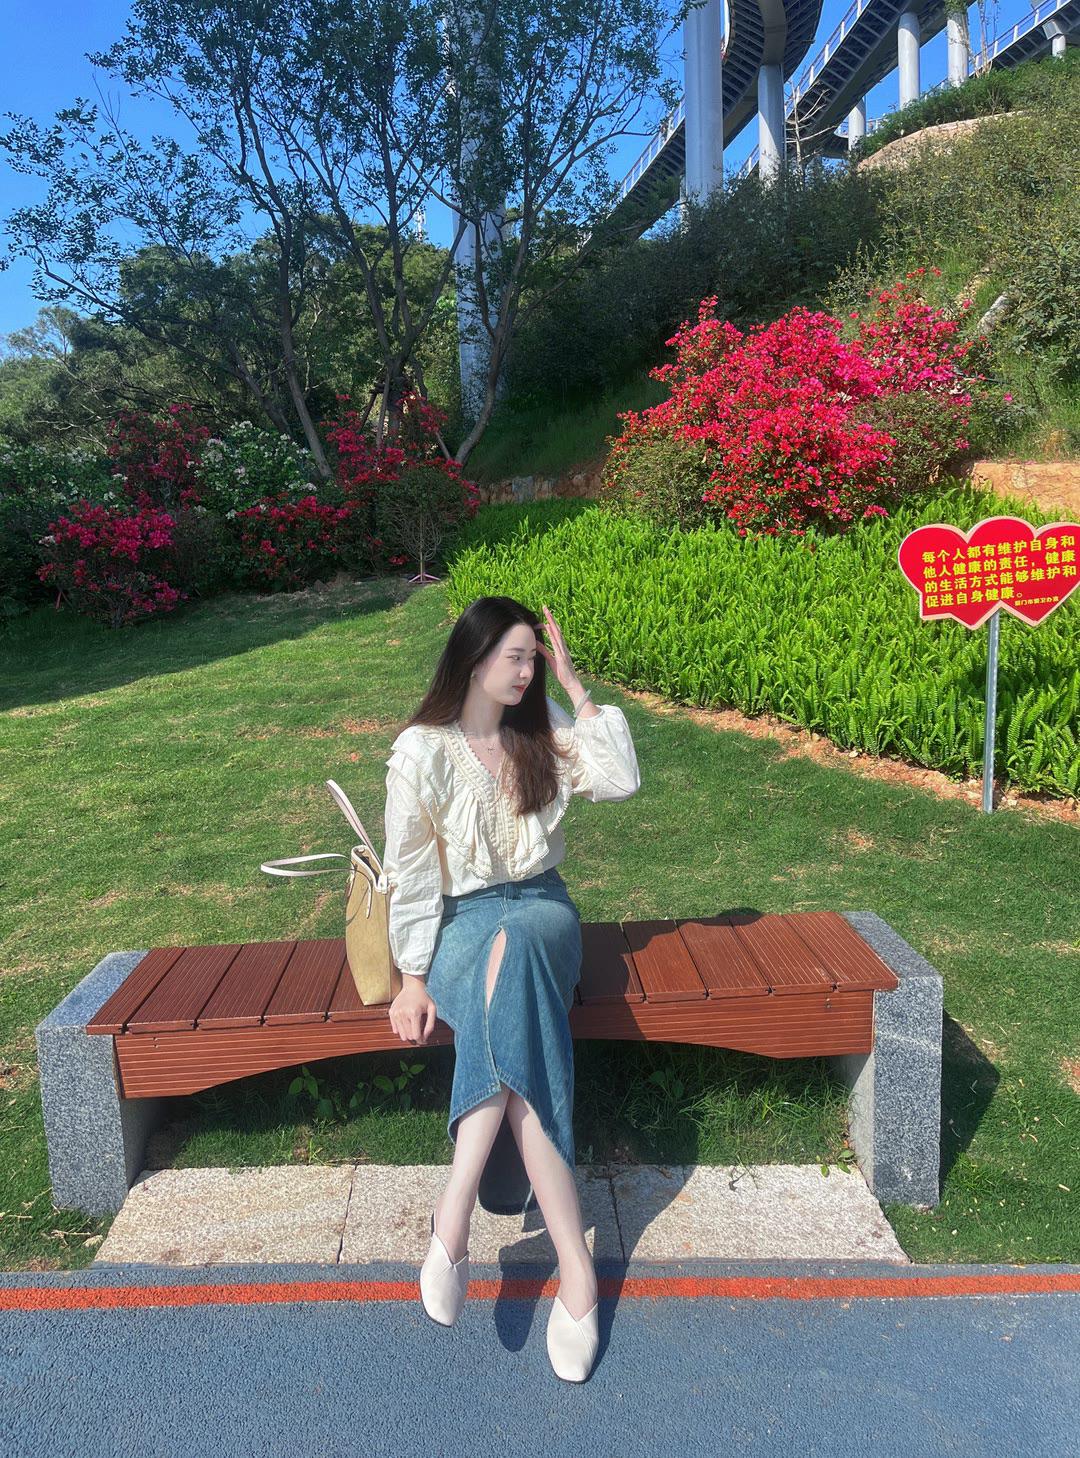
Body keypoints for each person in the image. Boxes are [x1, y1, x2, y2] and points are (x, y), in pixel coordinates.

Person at [382, 595, 640, 1381]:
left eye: (534, 658)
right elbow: (412, 875)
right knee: (511, 986)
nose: (528, 672)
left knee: (520, 945)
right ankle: (578, 1270)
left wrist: (576, 686)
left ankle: (454, 1211)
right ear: (473, 659)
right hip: (459, 926)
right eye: (516, 657)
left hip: (542, 909)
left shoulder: (543, 730)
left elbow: (620, 780)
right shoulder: (422, 752)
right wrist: (412, 978)